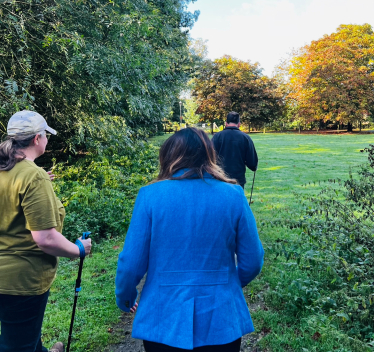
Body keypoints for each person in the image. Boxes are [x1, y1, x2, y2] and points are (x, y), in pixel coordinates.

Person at [115, 127, 264, 352]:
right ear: (209, 155)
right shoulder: (233, 195)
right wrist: (230, 284)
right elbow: (253, 259)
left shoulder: (150, 196)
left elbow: (130, 263)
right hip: (221, 320)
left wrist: (126, 299)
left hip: (163, 320)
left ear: (169, 156)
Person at [0, 110, 92, 352]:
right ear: (36, 139)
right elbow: (45, 239)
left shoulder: (12, 170)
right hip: (20, 280)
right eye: (45, 135)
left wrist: (40, 182)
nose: (47, 140)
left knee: (24, 336)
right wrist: (79, 249)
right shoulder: (32, 176)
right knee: (18, 346)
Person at [212, 111, 258, 189]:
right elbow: (252, 163)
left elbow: (208, 157)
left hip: (219, 178)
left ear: (226, 123)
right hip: (238, 180)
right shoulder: (245, 138)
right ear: (239, 124)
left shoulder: (217, 137)